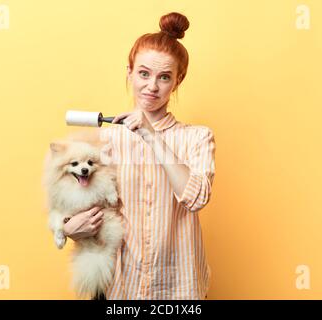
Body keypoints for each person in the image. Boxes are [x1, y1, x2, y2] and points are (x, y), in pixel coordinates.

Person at [63, 12, 216, 300]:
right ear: (129, 72)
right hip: (121, 288)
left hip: (179, 289)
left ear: (177, 81)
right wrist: (69, 227)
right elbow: (78, 203)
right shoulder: (105, 140)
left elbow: (195, 198)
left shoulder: (198, 137)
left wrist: (151, 135)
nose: (152, 86)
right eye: (144, 73)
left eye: (164, 77)